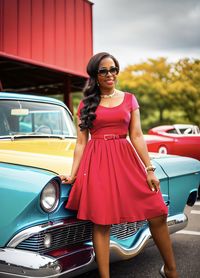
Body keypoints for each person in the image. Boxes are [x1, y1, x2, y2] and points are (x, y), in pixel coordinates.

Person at [59, 52, 178, 278]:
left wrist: (149, 169)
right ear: (95, 75)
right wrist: (73, 174)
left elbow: (137, 135)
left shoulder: (130, 99)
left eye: (113, 69)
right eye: (104, 71)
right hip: (98, 163)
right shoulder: (86, 104)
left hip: (126, 160)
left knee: (157, 211)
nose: (110, 74)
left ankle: (171, 270)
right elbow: (81, 142)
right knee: (102, 223)